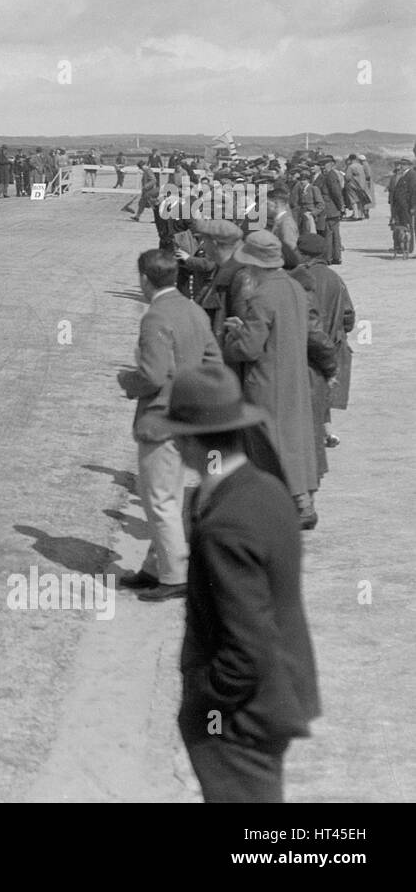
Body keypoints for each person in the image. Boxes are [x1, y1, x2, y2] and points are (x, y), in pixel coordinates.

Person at [155, 361, 320, 803]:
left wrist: (199, 704)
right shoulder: (267, 490)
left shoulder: (225, 523)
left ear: (188, 441)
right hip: (274, 701)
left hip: (242, 719)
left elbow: (245, 652)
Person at [117, 249, 223, 601]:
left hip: (160, 419)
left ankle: (175, 575)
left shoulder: (155, 317)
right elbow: (213, 360)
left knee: (159, 500)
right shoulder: (193, 309)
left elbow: (151, 374)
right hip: (187, 419)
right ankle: (154, 567)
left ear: (145, 279)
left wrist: (126, 381)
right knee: (170, 497)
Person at [222, 230, 321, 528]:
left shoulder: (262, 295)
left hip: (266, 381)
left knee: (270, 448)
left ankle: (284, 509)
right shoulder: (293, 287)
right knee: (295, 441)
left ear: (253, 264)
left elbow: (249, 348)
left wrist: (232, 336)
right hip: (293, 375)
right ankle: (304, 503)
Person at [294, 233, 353, 453]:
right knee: (322, 389)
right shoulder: (335, 278)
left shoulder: (299, 277)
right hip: (332, 343)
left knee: (309, 389)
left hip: (307, 344)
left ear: (303, 254)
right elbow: (349, 315)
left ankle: (321, 434)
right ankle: (328, 432)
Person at [313, 155, 345, 264]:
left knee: (330, 234)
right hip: (330, 208)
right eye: (321, 165)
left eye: (324, 165)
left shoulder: (330, 175)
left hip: (330, 208)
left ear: (331, 164)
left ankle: (330, 257)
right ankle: (334, 257)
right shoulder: (325, 175)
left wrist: (341, 206)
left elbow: (336, 193)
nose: (322, 167)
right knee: (332, 233)